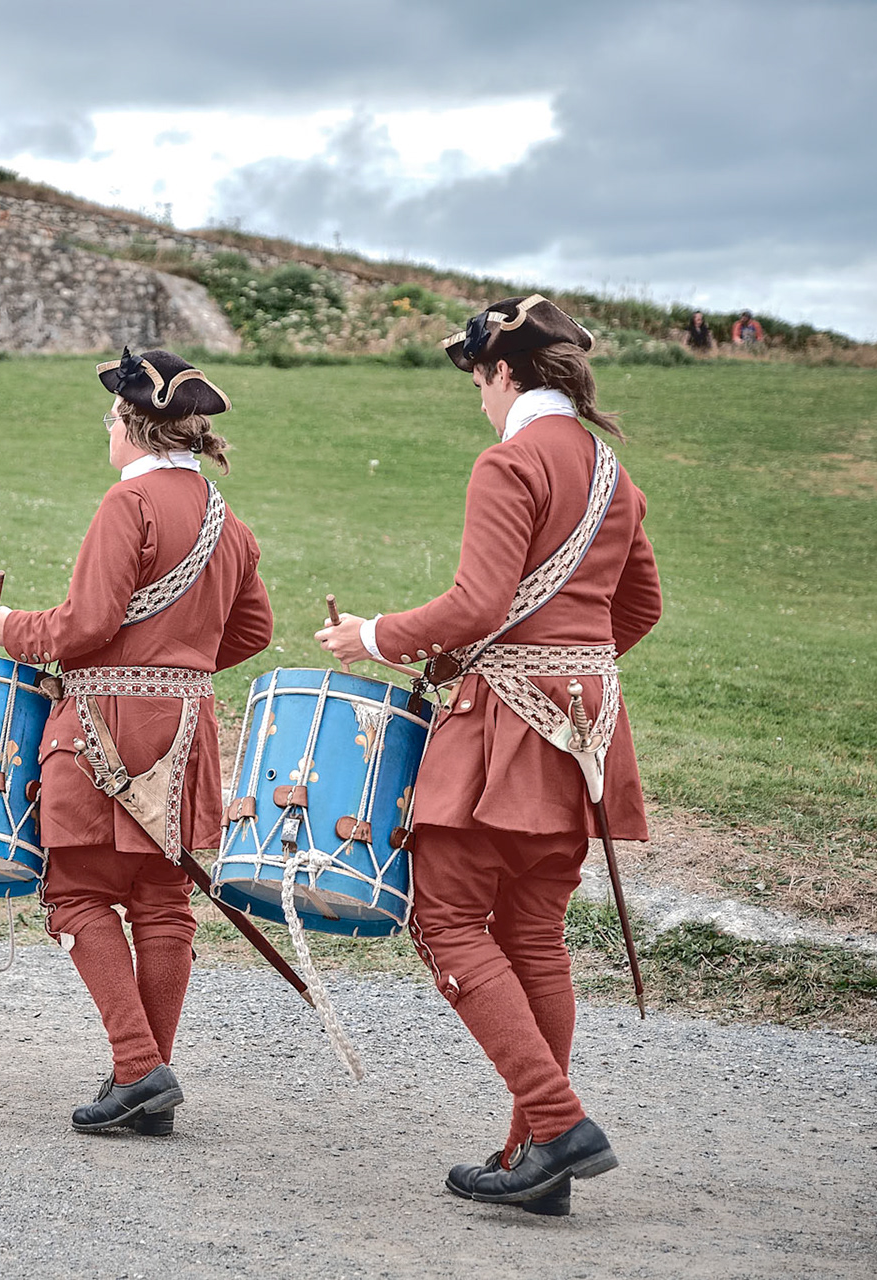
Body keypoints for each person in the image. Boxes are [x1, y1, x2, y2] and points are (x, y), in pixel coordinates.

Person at [318, 295, 661, 1216]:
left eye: (477, 377)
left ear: (504, 371)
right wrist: (568, 667)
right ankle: (532, 1156)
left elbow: (476, 605)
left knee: (449, 917)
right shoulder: (610, 472)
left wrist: (373, 635)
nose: (477, 395)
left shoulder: (511, 459)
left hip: (503, 728)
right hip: (583, 730)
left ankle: (555, 1122)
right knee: (536, 935)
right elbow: (639, 610)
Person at [0, 348, 274, 1136]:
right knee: (163, 901)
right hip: (187, 725)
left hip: (104, 720)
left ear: (133, 425)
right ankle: (146, 1083)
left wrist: (13, 631)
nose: (106, 432)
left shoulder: (126, 505)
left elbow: (87, 626)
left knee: (75, 891)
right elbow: (254, 630)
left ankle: (138, 1068)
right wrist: (180, 663)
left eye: (110, 419)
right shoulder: (224, 518)